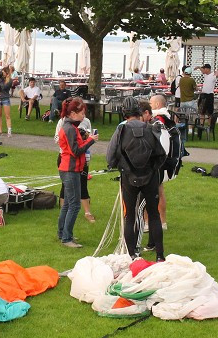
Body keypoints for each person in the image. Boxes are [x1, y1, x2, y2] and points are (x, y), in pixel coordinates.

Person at [106, 96, 166, 261]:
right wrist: (152, 170)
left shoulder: (121, 130)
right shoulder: (150, 128)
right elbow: (161, 155)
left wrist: (122, 167)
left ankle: (132, 255)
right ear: (139, 111)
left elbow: (110, 157)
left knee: (129, 216)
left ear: (124, 113)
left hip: (128, 178)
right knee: (153, 215)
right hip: (150, 178)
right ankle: (160, 255)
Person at [55, 98, 97, 248]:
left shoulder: (69, 126)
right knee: (74, 205)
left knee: (67, 203)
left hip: (68, 168)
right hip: (70, 169)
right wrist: (91, 140)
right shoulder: (70, 129)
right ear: (73, 113)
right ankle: (67, 238)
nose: (84, 116)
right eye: (82, 113)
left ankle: (62, 233)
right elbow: (76, 151)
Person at [149, 94, 183, 231]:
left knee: (151, 193)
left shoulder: (158, 121)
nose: (149, 106)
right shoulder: (168, 118)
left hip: (158, 160)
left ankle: (149, 222)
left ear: (157, 105)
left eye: (151, 104)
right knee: (160, 190)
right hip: (166, 160)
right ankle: (162, 222)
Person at [0, 65, 17, 137]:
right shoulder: (0, 79)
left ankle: (9, 131)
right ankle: (0, 131)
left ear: (6, 73)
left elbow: (4, 87)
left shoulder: (10, 80)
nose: (2, 73)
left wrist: (0, 79)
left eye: (3, 72)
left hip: (5, 98)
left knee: (7, 116)